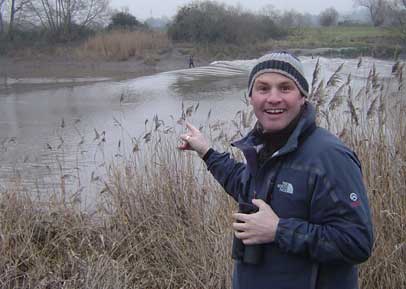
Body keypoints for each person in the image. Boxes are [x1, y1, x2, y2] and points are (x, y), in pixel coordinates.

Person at [178, 52, 374, 289]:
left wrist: (278, 230)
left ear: (302, 96)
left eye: (285, 88)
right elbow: (244, 184)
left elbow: (357, 242)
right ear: (250, 97)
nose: (273, 98)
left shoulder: (330, 157)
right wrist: (206, 151)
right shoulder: (265, 147)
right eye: (263, 88)